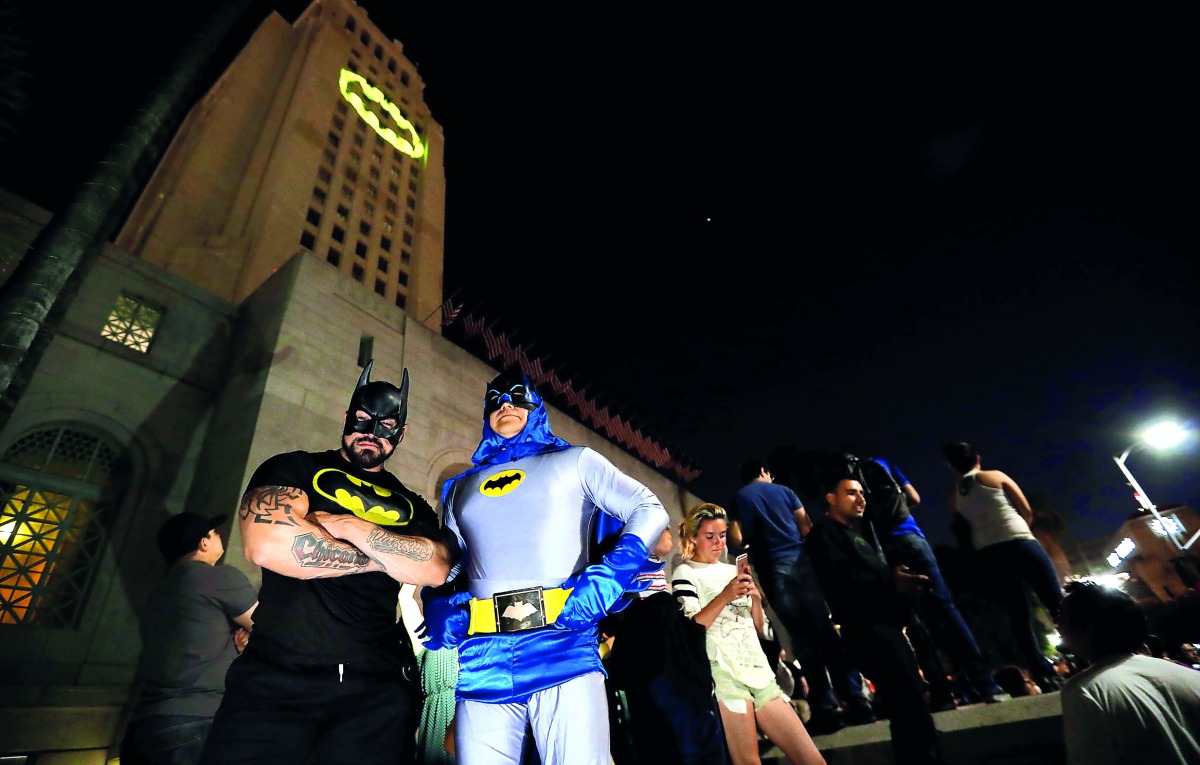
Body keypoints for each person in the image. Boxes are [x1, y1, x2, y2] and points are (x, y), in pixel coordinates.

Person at [200, 360, 457, 765]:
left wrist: (343, 524)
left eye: (387, 426)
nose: (372, 433)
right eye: (362, 420)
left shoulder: (415, 506)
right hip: (274, 679)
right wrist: (386, 555)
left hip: (373, 691)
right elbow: (267, 546)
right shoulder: (294, 467)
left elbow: (434, 568)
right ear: (345, 418)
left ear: (401, 434)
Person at [419, 369, 670, 765]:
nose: (505, 404)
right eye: (496, 399)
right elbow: (448, 564)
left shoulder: (576, 460)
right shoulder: (460, 488)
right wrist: (436, 602)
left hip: (563, 643)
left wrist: (607, 579)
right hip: (483, 654)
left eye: (517, 395)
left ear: (536, 406)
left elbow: (649, 509)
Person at [844, 451, 1008, 707]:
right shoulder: (884, 463)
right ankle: (986, 684)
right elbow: (914, 498)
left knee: (914, 621)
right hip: (911, 538)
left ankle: (942, 693)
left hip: (885, 549)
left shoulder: (846, 482)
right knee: (945, 609)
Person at [806, 476, 948, 765]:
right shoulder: (824, 534)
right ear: (830, 499)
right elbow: (841, 582)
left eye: (862, 493)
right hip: (868, 631)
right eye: (850, 493)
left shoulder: (857, 535)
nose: (860, 499)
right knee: (908, 707)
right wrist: (891, 581)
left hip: (887, 628)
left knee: (910, 708)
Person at [673, 502, 827, 765]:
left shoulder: (733, 569)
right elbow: (691, 629)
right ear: (693, 537)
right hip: (724, 675)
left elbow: (760, 628)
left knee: (812, 758)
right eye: (710, 536)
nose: (718, 543)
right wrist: (725, 595)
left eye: (722, 536)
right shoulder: (685, 572)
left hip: (758, 670)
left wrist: (755, 599)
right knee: (748, 761)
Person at [731, 458, 874, 733]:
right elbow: (806, 527)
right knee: (826, 633)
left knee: (803, 640)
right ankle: (858, 702)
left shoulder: (740, 497)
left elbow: (737, 539)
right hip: (802, 564)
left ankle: (825, 710)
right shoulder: (784, 491)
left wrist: (754, 539)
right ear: (764, 471)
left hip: (774, 571)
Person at [119, 512, 258, 765]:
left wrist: (238, 649)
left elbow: (195, 642)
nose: (218, 536)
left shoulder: (158, 594)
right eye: (214, 533)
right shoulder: (217, 577)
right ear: (203, 543)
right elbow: (271, 628)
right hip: (196, 724)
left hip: (144, 728)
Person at [941, 441, 1064, 692]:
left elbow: (962, 529)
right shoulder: (994, 476)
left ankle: (1043, 675)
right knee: (1056, 602)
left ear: (951, 466)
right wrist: (1022, 528)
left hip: (990, 555)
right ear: (977, 458)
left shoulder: (953, 496)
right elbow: (1025, 509)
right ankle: (1087, 656)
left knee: (1018, 615)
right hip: (1019, 541)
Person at [603, 525, 731, 765]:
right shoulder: (625, 562)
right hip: (660, 665)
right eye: (660, 525)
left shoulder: (651, 578)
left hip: (663, 662)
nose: (668, 528)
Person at [1057, 580, 1200, 765]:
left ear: (1087, 628)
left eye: (1061, 618)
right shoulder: (1188, 675)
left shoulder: (1084, 692)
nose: (1057, 626)